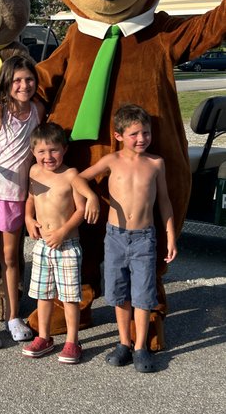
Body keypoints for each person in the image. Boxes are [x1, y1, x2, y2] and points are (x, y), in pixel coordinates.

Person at [74, 104, 177, 373]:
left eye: (145, 132)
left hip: (145, 238)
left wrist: (170, 236)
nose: (141, 138)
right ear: (119, 135)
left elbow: (164, 202)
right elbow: (79, 179)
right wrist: (92, 197)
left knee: (143, 295)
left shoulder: (156, 163)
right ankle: (123, 343)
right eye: (134, 134)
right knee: (119, 293)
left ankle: (141, 346)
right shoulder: (111, 161)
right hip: (115, 237)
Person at [0, 56, 45, 349]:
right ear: (6, 83)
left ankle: (14, 317)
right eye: (17, 80)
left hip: (16, 196)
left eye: (28, 79)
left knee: (11, 258)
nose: (23, 85)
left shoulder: (39, 110)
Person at [23, 123, 99, 362]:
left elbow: (81, 208)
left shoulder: (70, 176)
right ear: (34, 151)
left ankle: (72, 341)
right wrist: (28, 218)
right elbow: (31, 197)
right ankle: (44, 337)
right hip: (43, 245)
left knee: (69, 296)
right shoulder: (34, 171)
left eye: (54, 150)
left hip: (66, 245)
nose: (48, 156)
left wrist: (64, 231)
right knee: (42, 294)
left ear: (64, 149)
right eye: (42, 151)